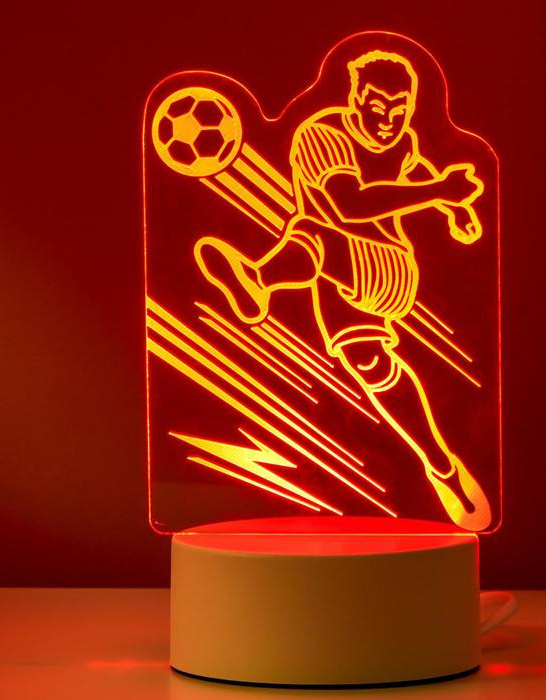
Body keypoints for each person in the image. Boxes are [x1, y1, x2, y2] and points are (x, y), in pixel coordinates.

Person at [196, 50, 491, 530]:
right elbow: (348, 204)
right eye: (377, 107)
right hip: (335, 280)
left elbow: (412, 174)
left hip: (387, 267)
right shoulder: (320, 135)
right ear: (355, 99)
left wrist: (453, 205)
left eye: (400, 110)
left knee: (309, 229)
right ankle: (442, 468)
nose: (388, 121)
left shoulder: (404, 142)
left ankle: (258, 279)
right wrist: (441, 192)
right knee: (372, 366)